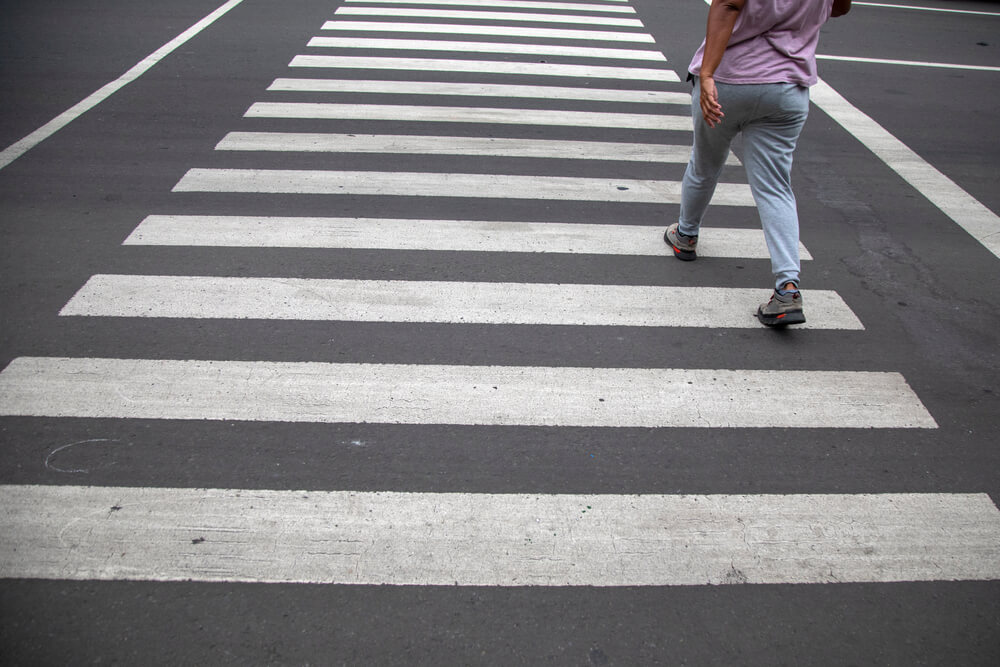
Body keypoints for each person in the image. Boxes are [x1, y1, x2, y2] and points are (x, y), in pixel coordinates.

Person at [665, 0, 852, 326]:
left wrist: (707, 73)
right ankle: (787, 289)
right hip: (787, 90)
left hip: (730, 79)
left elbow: (729, 3)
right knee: (775, 188)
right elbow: (839, 8)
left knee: (705, 164)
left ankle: (686, 235)